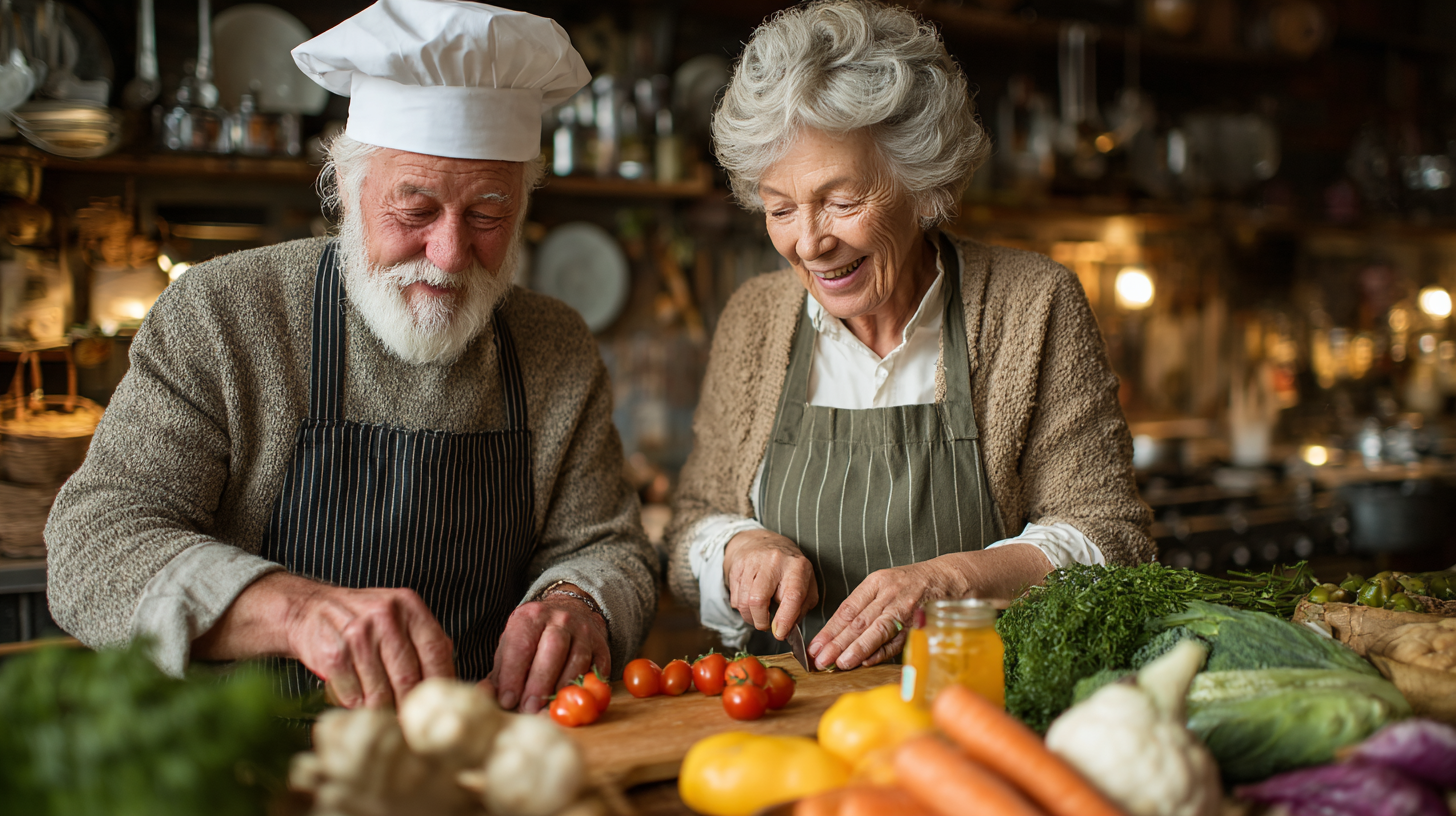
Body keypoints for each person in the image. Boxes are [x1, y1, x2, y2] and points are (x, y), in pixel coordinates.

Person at [45, 0, 658, 714]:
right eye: (416, 210)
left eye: (488, 215)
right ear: (344, 186)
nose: (450, 255)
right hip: (248, 757)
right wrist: (294, 612)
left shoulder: (554, 345)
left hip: (469, 755)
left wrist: (577, 601)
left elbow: (611, 546)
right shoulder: (223, 314)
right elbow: (94, 544)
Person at [666, 0, 1152, 672]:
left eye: (841, 200)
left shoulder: (1029, 304)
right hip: (783, 721)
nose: (810, 242)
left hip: (982, 709)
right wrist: (737, 549)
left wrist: (954, 583)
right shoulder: (755, 317)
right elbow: (694, 517)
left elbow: (1109, 535)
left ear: (923, 183)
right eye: (780, 208)